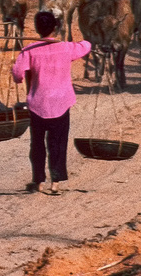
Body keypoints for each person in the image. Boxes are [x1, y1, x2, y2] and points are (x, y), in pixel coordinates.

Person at [11, 10, 92, 195]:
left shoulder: (29, 50)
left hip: (38, 103)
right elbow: (86, 45)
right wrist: (70, 41)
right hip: (61, 103)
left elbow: (17, 75)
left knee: (37, 144)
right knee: (58, 143)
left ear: (37, 29)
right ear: (55, 27)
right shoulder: (66, 48)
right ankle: (55, 183)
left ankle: (38, 181)